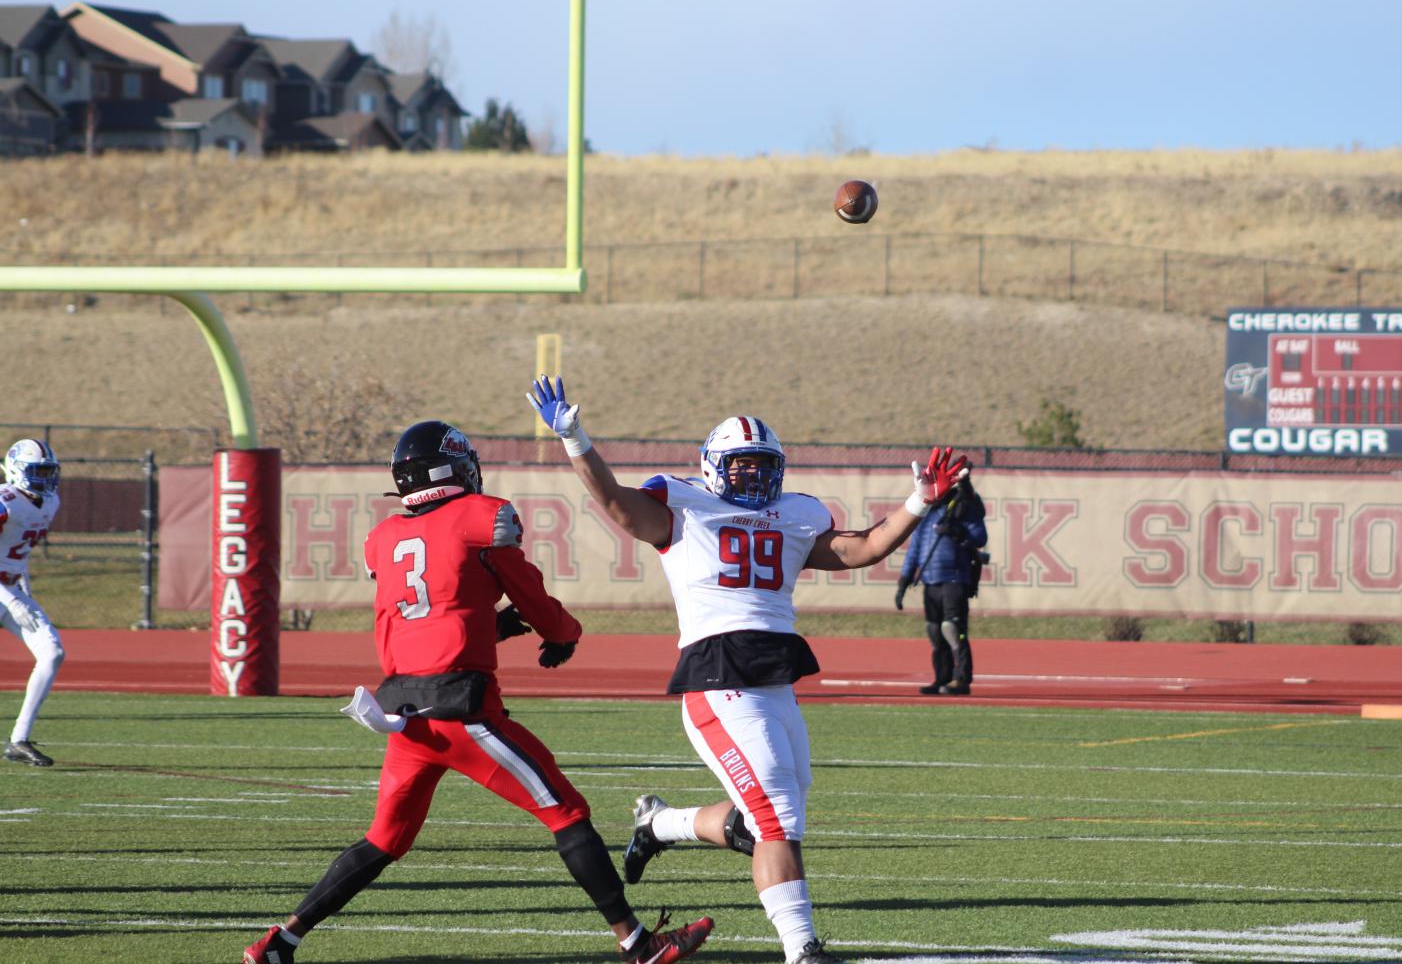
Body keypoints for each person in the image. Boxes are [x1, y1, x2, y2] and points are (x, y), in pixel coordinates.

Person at [526, 376, 967, 964]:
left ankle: (661, 824)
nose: (754, 476)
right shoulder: (682, 505)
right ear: (713, 466)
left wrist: (921, 503)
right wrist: (576, 438)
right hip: (718, 675)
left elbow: (859, 548)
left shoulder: (796, 513)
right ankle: (801, 949)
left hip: (774, 676)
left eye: (762, 465)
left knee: (773, 814)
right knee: (776, 814)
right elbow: (616, 504)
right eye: (741, 467)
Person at [243, 420, 713, 964]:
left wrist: (500, 628)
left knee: (383, 841)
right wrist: (563, 633)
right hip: (460, 712)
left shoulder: (383, 539)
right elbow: (533, 597)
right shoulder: (482, 516)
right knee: (566, 812)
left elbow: (431, 617)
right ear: (456, 470)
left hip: (402, 712)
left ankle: (280, 942)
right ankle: (638, 945)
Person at [0, 438, 64, 768]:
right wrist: (11, 598)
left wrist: (22, 586)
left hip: (12, 590)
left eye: (48, 471)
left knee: (52, 653)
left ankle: (19, 740)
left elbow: (16, 552)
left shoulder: (50, 502)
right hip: (4, 593)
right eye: (37, 471)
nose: (45, 478)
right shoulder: (4, 502)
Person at [895, 473, 987, 695]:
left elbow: (979, 536)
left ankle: (961, 679)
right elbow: (915, 549)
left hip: (954, 578)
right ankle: (942, 678)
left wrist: (956, 531)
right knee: (935, 631)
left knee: (952, 629)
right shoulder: (926, 513)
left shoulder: (964, 507)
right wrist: (904, 581)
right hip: (930, 580)